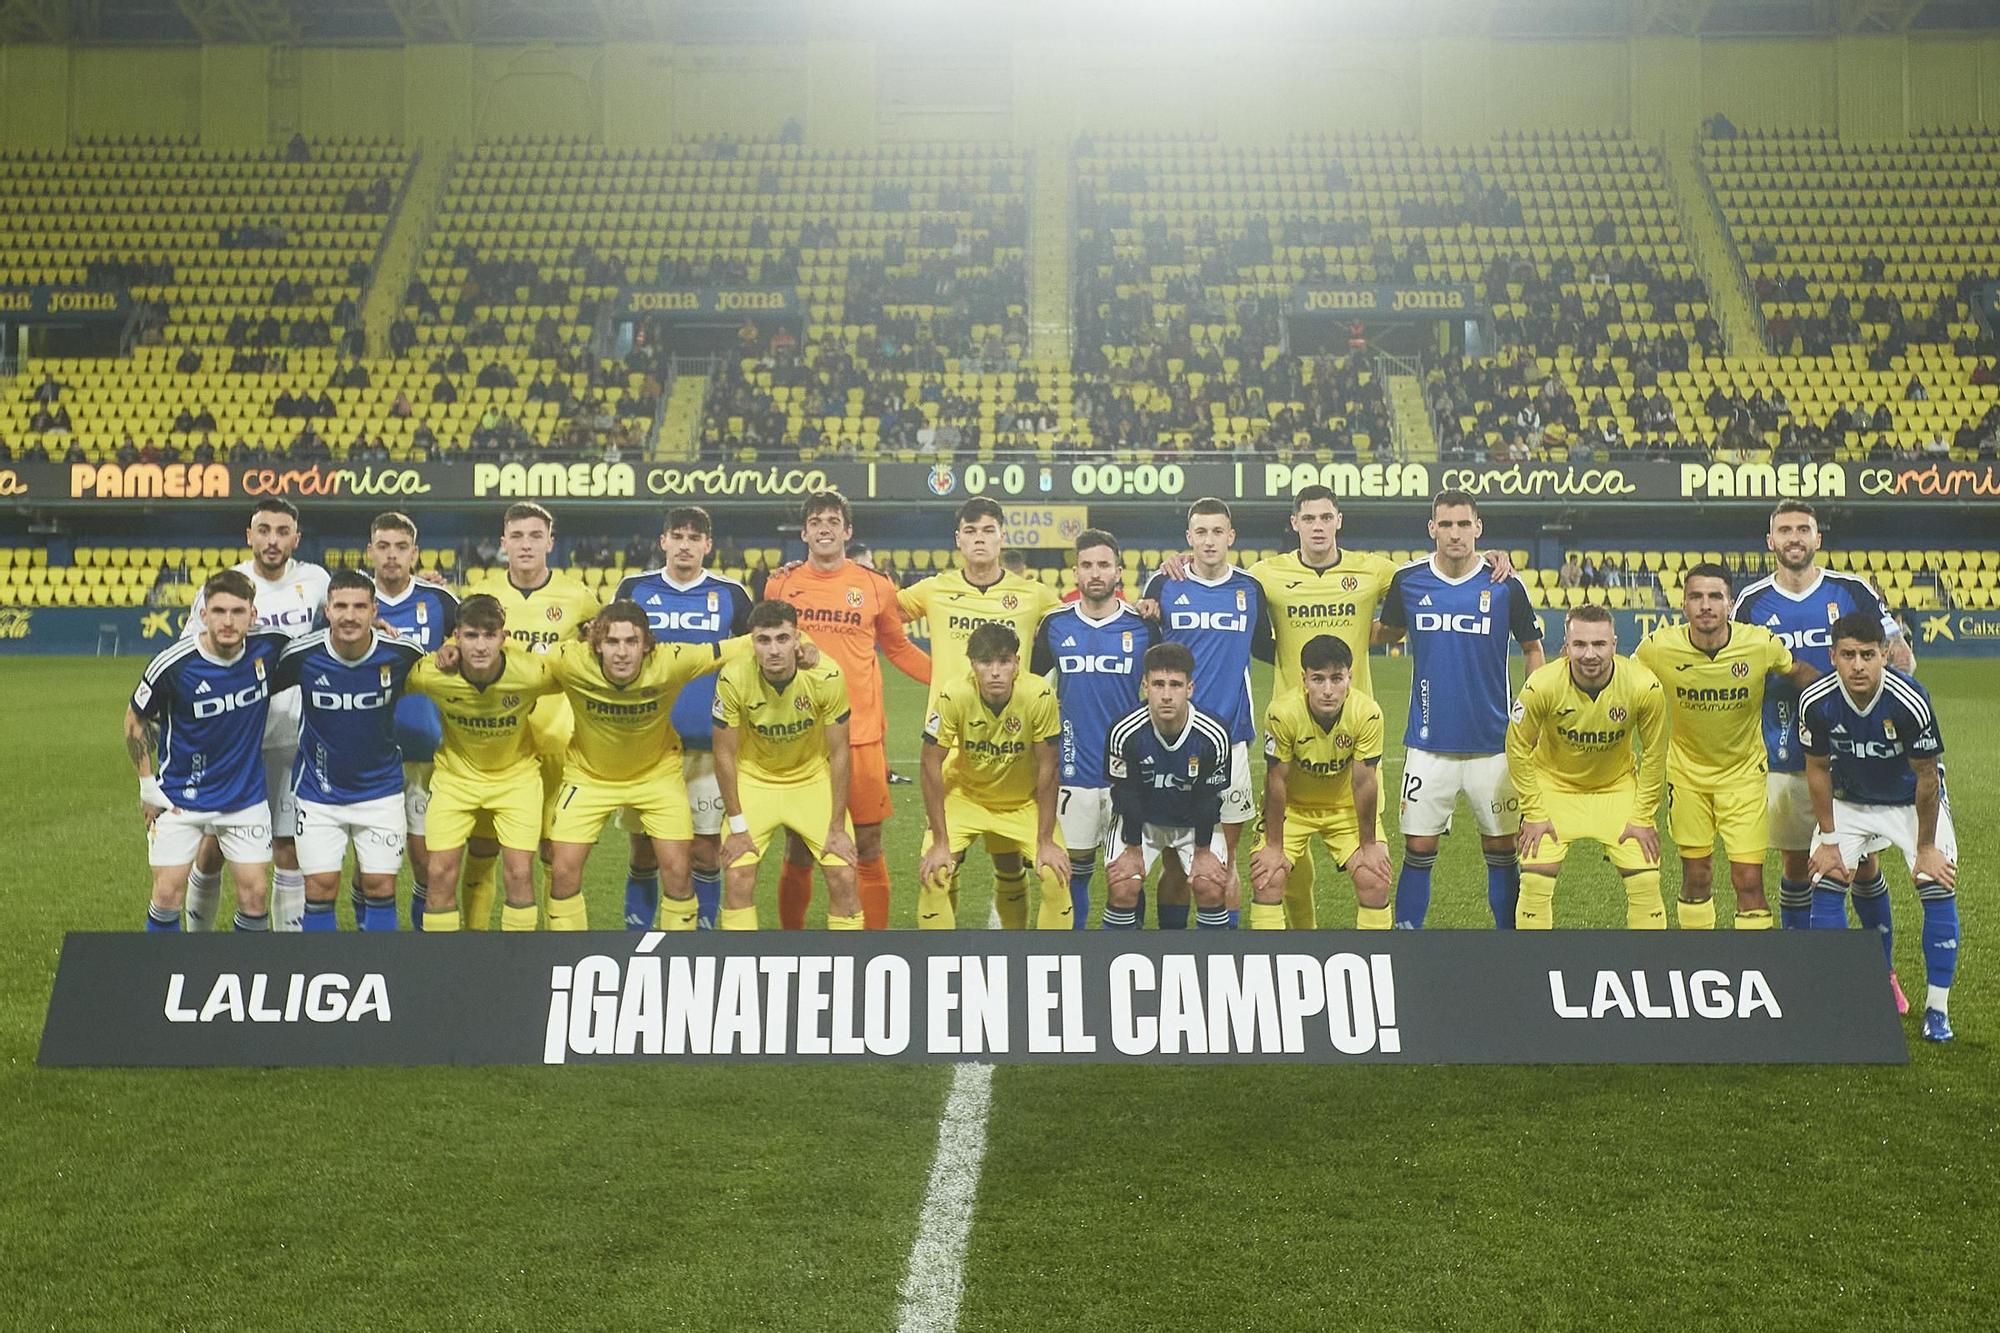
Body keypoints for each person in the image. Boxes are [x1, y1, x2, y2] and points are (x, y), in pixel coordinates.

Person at [1736, 503, 1914, 1001]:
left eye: (1804, 530)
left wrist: (1895, 669)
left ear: (1817, 538)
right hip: (1786, 753)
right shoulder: (1751, 601)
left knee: (1863, 868)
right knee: (1799, 865)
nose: (1795, 538)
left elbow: (1898, 656)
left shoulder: (1851, 590)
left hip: (1855, 758)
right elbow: (1737, 664)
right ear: (1769, 540)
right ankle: (1802, 974)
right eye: (1785, 530)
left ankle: (1883, 974)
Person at [1375, 490, 1544, 928]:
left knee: (1502, 849)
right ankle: (1408, 939)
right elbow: (1387, 634)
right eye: (1445, 524)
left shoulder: (1505, 583)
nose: (1455, 533)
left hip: (1494, 744)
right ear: (1432, 529)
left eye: (1463, 524)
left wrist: (1532, 716)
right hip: (1429, 744)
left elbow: (1532, 648)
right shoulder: (1408, 581)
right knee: (1418, 847)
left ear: (1478, 528)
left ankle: (1509, 941)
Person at [764, 490, 931, 929]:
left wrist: (950, 679)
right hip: (801, 735)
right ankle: (791, 943)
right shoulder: (780, 584)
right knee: (799, 846)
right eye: (816, 521)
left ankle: (872, 949)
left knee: (869, 844)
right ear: (804, 532)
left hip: (860, 735)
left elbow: (898, 647)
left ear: (847, 531)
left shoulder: (875, 586)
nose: (824, 528)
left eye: (833, 521)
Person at [544, 600, 750, 932]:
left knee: (678, 872)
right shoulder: (569, 660)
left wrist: (805, 644)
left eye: (631, 642)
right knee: (563, 871)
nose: (622, 652)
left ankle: (677, 961)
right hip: (588, 776)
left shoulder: (671, 660)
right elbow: (513, 662)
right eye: (612, 642)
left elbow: (737, 646)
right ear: (596, 644)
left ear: (647, 645)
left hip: (657, 775)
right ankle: (569, 958)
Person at [1801, 613, 1960, 1041]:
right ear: (1832, 656)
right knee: (1826, 879)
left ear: (1885, 656)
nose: (1858, 666)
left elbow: (1928, 776)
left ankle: (1936, 1010)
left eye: (1868, 655)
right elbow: (1816, 770)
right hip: (1850, 800)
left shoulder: (1909, 699)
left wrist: (1926, 847)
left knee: (1935, 880)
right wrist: (1830, 841)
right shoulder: (1816, 701)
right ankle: (1844, 1001)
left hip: (1910, 802)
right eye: (1848, 655)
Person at [1637, 562, 1813, 931]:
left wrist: (1842, 695)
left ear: (1730, 604)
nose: (1705, 605)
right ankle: (1700, 961)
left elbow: (1795, 672)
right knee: (1696, 876)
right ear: (1683, 605)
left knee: (1748, 880)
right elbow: (1622, 680)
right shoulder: (1658, 648)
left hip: (1744, 779)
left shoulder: (1759, 644)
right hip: (1686, 779)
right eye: (1696, 597)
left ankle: (1755, 968)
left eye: (1715, 596)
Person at [182, 499, 331, 932]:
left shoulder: (315, 581)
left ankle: (285, 956)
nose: (272, 540)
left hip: (290, 735)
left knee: (288, 845)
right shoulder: (227, 586)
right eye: (264, 530)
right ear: (249, 535)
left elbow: (352, 612)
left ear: (296, 538)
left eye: (282, 531)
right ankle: (196, 945)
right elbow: (193, 653)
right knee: (212, 844)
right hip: (231, 741)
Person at [456, 503, 600, 928]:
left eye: (535, 536)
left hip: (557, 745)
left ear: (550, 543)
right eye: (516, 536)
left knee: (554, 853)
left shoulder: (579, 598)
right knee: (483, 850)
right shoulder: (482, 594)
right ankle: (479, 946)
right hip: (496, 746)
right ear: (503, 543)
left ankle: (556, 954)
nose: (525, 545)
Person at [127, 571, 292, 932]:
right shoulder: (173, 664)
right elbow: (135, 720)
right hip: (179, 799)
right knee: (166, 893)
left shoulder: (272, 647)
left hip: (245, 799)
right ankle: (166, 976)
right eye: (218, 611)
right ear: (203, 614)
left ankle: (247, 977)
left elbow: (331, 643)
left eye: (237, 611)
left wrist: (380, 625)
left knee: (254, 896)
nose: (228, 621)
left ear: (253, 614)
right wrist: (147, 786)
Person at [613, 507, 753, 931]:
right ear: (664, 542)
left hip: (707, 747)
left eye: (695, 537)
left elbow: (755, 652)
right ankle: (636, 938)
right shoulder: (634, 588)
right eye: (679, 536)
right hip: (644, 747)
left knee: (705, 849)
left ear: (708, 545)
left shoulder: (731, 595)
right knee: (643, 849)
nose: (686, 545)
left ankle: (702, 939)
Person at [1140, 499, 1269, 927]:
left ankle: (1224, 951)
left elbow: (1271, 644)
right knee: (1178, 862)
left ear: (1231, 537)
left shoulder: (1251, 589)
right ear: (1188, 538)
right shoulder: (1164, 584)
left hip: (1227, 740)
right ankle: (1175, 950)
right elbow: (1146, 643)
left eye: (1218, 532)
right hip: (1170, 744)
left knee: (1223, 859)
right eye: (1201, 532)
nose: (1209, 540)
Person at [273, 571, 426, 931]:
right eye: (340, 606)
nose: (350, 615)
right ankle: (320, 972)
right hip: (318, 794)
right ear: (327, 610)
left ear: (375, 611)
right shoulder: (301, 655)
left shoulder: (402, 653)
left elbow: (437, 686)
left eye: (360, 606)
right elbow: (251, 685)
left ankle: (378, 974)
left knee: (380, 887)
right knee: (320, 888)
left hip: (382, 793)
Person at [1505, 604, 1668, 929]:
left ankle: (1647, 967)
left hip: (1615, 786)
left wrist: (1642, 815)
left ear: (1614, 644)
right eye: (1580, 645)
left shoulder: (1643, 686)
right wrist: (1534, 812)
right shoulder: (1542, 684)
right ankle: (1534, 969)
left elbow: (1655, 754)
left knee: (1646, 880)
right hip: (1554, 786)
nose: (1589, 654)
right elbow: (1517, 746)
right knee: (1536, 881)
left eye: (1599, 645)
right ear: (1566, 646)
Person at [405, 595, 558, 933]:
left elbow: (579, 678)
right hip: (455, 778)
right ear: (456, 637)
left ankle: (516, 968)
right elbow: (390, 673)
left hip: (516, 778)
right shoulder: (430, 673)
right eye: (471, 635)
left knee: (519, 873)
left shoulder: (532, 673)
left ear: (503, 638)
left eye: (489, 635)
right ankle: (444, 967)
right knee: (439, 873)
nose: (480, 645)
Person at [1031, 529, 1156, 928]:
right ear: (1075, 572)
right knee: (1074, 873)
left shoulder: (1144, 626)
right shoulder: (1054, 625)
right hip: (1073, 773)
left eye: (1104, 564)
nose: (1095, 573)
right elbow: (1031, 684)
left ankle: (1121, 957)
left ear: (1119, 571)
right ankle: (1081, 956)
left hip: (1130, 775)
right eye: (1087, 565)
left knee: (1129, 878)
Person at [711, 601, 862, 930]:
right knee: (737, 876)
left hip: (810, 779)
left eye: (782, 638)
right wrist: (737, 828)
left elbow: (839, 752)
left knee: (843, 876)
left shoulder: (827, 675)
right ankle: (742, 972)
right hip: (754, 780)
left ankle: (850, 969)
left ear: (798, 639)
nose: (774, 649)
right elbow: (723, 753)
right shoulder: (734, 677)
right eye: (764, 640)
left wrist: (836, 828)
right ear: (752, 642)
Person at [917, 623, 1070, 929]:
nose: (995, 672)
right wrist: (940, 841)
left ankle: (1043, 968)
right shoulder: (954, 694)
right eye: (986, 662)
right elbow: (929, 763)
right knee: (935, 872)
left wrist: (1045, 840)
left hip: (1023, 802)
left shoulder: (1039, 694)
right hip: (967, 797)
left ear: (1016, 663)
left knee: (1056, 876)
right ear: (972, 665)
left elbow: (1049, 767)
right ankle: (939, 966)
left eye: (1004, 662)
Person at [1248, 636, 1391, 929]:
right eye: (1318, 679)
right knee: (1267, 877)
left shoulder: (1367, 713)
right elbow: (1276, 780)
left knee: (1374, 878)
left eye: (1337, 679)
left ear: (1350, 678)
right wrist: (1273, 846)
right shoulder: (1282, 713)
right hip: (1293, 809)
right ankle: (1271, 966)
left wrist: (1368, 845)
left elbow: (1364, 783)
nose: (1328, 690)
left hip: (1345, 809)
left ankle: (1371, 963)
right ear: (1304, 679)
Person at [364, 512, 459, 929]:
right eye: (382, 546)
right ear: (370, 552)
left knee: (425, 859)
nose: (391, 555)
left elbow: (474, 647)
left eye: (401, 547)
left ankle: (420, 949)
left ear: (415, 553)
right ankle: (373, 946)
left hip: (426, 752)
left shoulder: (441, 601)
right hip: (366, 751)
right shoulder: (351, 602)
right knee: (369, 867)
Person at [1100, 643, 1234, 930]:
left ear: (1190, 688)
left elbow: (1207, 799)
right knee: (1123, 885)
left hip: (1191, 823)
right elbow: (1126, 795)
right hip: (1142, 822)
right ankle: (1117, 963)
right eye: (1158, 684)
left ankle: (1209, 966)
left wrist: (1202, 852)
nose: (1166, 695)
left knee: (1209, 885)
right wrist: (1133, 849)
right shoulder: (1124, 731)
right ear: (1145, 687)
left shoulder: (1213, 734)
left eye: (1175, 685)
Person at [897, 495, 1061, 719]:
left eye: (988, 531)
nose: (979, 538)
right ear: (958, 538)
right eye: (971, 531)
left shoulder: (1034, 594)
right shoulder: (933, 590)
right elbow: (880, 616)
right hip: (948, 732)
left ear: (1001, 537)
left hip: (1011, 734)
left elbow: (1076, 627)